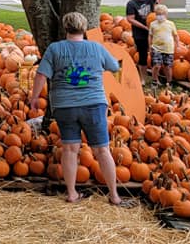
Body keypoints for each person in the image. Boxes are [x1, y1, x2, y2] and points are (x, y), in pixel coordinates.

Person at [30, 11, 123, 206]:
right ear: (84, 27)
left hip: (65, 106)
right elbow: (115, 67)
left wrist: (35, 98)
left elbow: (41, 75)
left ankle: (72, 193)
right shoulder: (96, 48)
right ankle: (114, 195)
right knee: (102, 150)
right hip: (93, 104)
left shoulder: (55, 49)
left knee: (70, 149)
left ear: (66, 28)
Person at [126, 0, 169, 83]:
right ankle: (143, 78)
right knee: (143, 55)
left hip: (155, 33)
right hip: (140, 33)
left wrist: (157, 2)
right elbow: (130, 19)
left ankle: (155, 78)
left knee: (156, 56)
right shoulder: (131, 4)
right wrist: (145, 27)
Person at [149, 4, 179, 87]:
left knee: (168, 66)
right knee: (156, 65)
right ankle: (154, 80)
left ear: (166, 14)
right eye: (158, 14)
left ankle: (169, 81)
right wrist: (150, 46)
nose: (160, 16)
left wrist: (178, 44)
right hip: (156, 48)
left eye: (161, 14)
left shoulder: (170, 24)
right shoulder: (153, 24)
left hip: (168, 49)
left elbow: (175, 35)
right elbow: (150, 36)